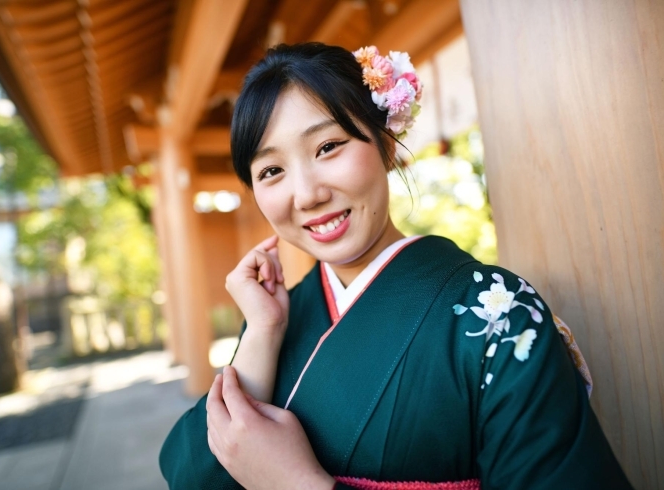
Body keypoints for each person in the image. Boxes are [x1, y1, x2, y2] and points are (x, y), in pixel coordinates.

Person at [159, 43, 631, 490]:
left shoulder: (499, 315)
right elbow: (192, 477)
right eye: (271, 171)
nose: (306, 195)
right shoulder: (277, 319)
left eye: (327, 147)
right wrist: (261, 334)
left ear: (386, 144)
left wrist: (298, 483)